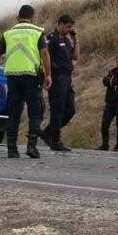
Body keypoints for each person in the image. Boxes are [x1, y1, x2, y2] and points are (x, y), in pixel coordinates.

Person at [0, 4, 52, 159]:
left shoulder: (8, 33)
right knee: (36, 110)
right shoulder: (37, 32)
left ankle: (12, 149)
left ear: (18, 17)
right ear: (33, 16)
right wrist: (48, 75)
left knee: (14, 112)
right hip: (31, 75)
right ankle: (31, 146)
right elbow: (45, 53)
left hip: (12, 76)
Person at [42, 14, 78, 152]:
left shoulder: (67, 40)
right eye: (68, 26)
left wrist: (75, 39)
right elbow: (44, 56)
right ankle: (55, 140)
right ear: (60, 24)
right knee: (57, 110)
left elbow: (75, 56)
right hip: (57, 78)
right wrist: (49, 74)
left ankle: (48, 132)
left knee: (70, 110)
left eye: (71, 27)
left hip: (67, 78)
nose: (70, 29)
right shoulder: (51, 39)